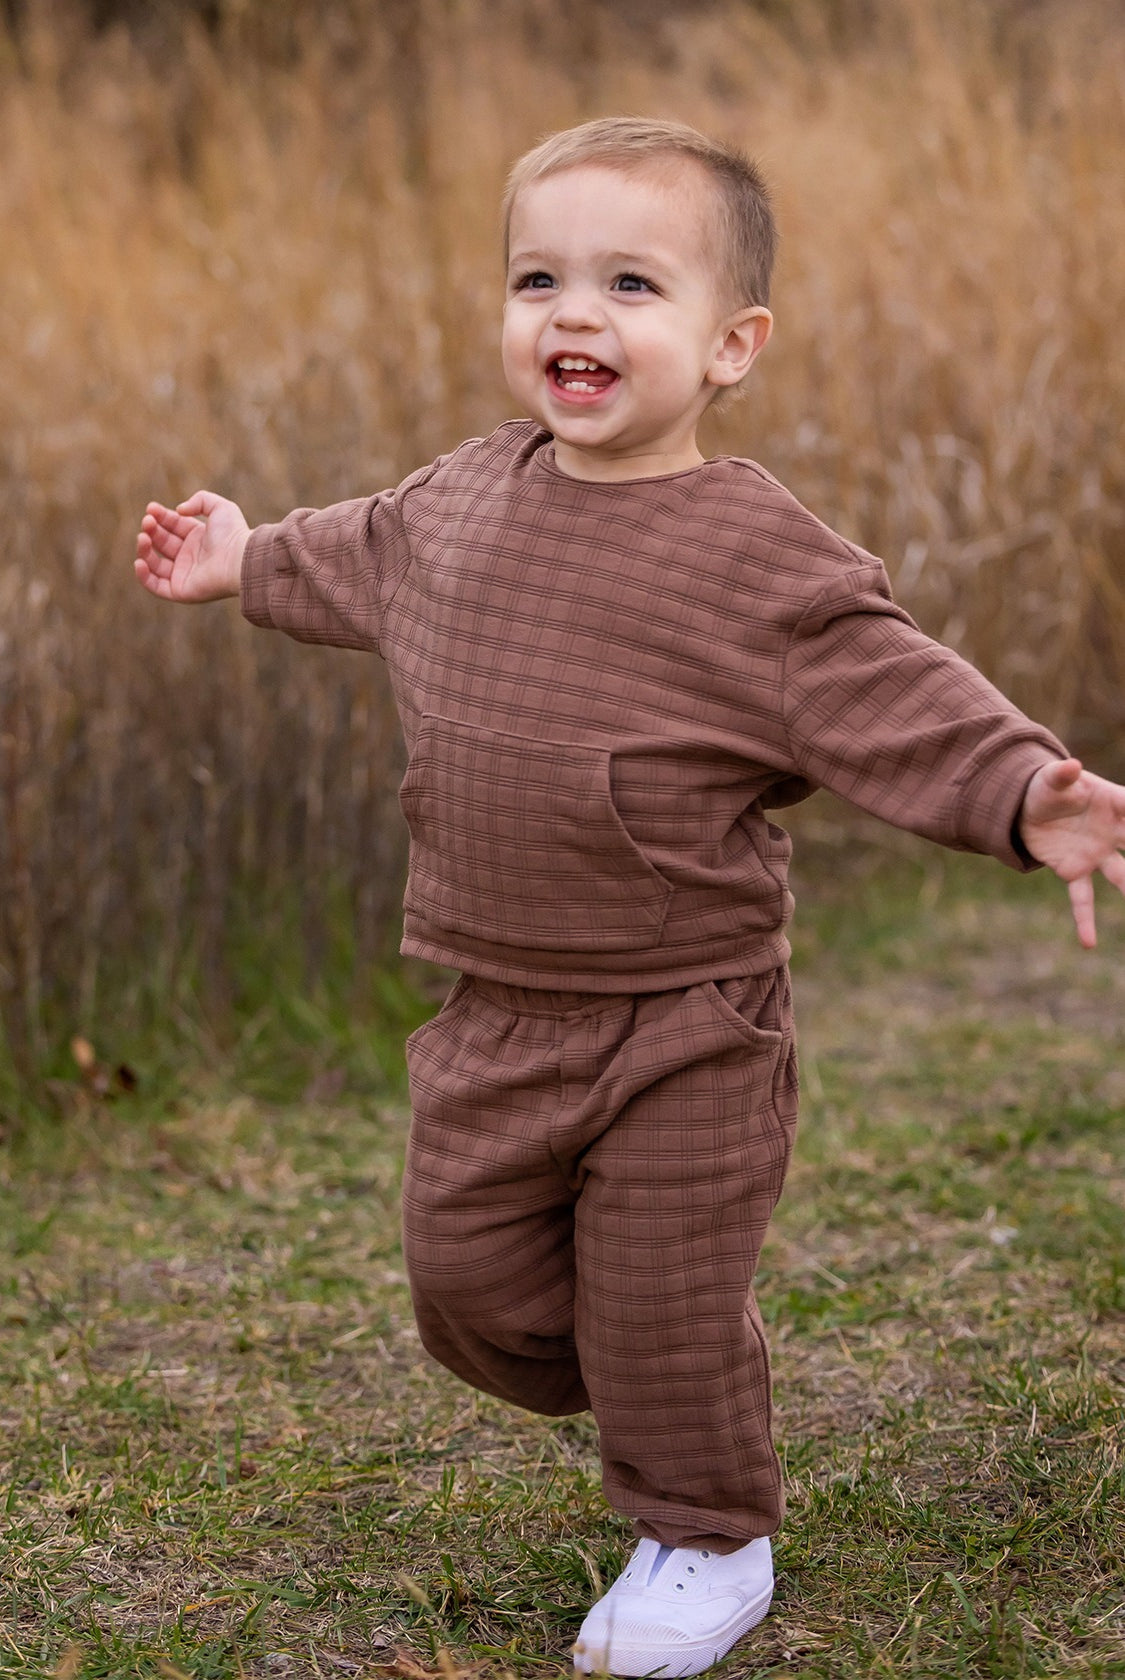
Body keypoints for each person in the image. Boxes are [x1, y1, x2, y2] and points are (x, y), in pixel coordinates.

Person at [134, 117, 1125, 1678]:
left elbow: (895, 695)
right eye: (539, 278)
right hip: (491, 1004)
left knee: (660, 1295)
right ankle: (657, 1378)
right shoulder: (459, 502)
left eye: (629, 284)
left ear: (731, 345)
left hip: (687, 1018)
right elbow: (358, 557)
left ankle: (706, 1529)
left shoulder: (754, 562)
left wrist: (1023, 791)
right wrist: (243, 559)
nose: (572, 313)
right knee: (466, 1293)